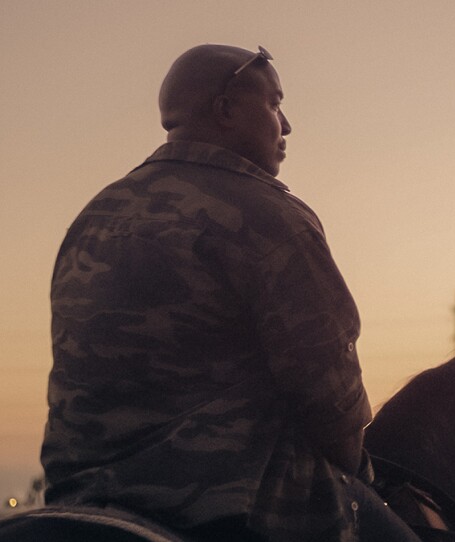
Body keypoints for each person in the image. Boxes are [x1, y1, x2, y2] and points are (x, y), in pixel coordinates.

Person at [41, 44, 420, 542]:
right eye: (274, 104)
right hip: (237, 496)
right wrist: (361, 474)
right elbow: (329, 396)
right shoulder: (266, 215)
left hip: (80, 490)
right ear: (225, 110)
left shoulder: (95, 215)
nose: (286, 126)